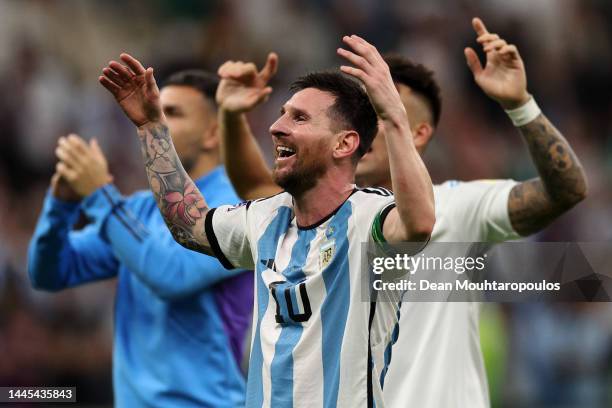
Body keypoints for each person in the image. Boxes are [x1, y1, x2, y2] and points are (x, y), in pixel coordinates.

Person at [212, 18, 588, 407]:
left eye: (380, 112)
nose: (364, 127)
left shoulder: (458, 208)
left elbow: (567, 190)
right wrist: (230, 115)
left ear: (418, 132)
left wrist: (520, 106)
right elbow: (257, 192)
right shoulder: (320, 216)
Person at [99, 34, 435, 407]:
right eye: (282, 113)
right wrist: (151, 127)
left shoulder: (370, 217)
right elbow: (189, 224)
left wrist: (394, 115)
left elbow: (418, 224)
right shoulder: (266, 218)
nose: (277, 127)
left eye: (300, 118)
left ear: (344, 144)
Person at [28, 70, 253, 407]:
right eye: (155, 112)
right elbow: (49, 273)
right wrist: (60, 206)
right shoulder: (138, 211)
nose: (155, 123)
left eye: (170, 114)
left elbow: (171, 274)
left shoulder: (238, 209)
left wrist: (101, 195)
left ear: (211, 134)